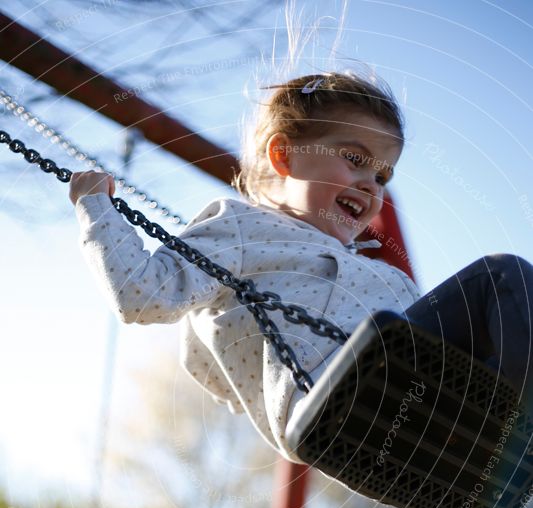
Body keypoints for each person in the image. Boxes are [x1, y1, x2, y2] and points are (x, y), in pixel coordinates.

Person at [69, 71, 533, 465]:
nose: (371, 187)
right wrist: (96, 208)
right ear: (285, 155)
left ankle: (502, 440)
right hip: (338, 400)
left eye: (381, 176)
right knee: (502, 278)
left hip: (424, 412)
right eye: (354, 159)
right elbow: (142, 295)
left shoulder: (391, 280)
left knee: (501, 317)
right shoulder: (242, 228)